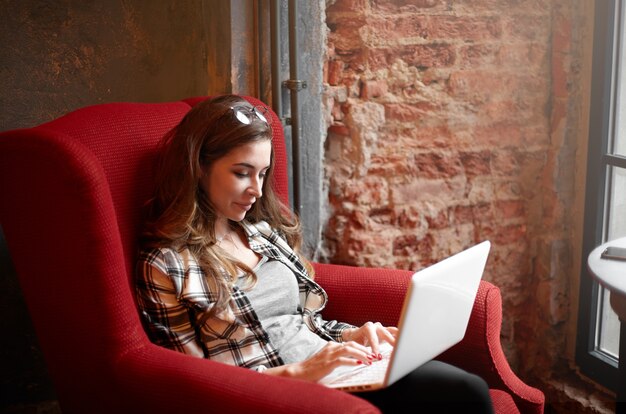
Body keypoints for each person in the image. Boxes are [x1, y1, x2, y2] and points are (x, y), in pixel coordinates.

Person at [135, 94, 494, 413]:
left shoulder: (259, 232)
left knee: (466, 388)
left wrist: (351, 337)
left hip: (336, 369)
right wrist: (302, 372)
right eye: (242, 173)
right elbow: (196, 381)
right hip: (280, 391)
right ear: (198, 167)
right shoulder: (166, 265)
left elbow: (302, 322)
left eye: (262, 174)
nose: (257, 191)